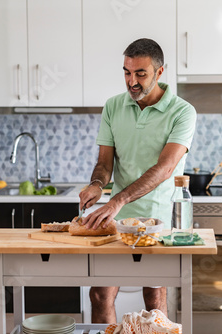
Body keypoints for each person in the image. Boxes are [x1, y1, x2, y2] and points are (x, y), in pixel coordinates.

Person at [78, 38, 197, 324]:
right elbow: (105, 164)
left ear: (159, 72)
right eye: (127, 72)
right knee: (100, 295)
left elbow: (165, 168)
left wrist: (116, 200)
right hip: (116, 220)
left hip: (158, 218)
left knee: (154, 299)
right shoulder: (113, 106)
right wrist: (97, 184)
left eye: (140, 74)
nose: (132, 81)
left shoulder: (182, 112)